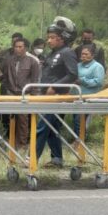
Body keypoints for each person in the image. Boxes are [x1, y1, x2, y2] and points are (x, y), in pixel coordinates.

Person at [35, 16, 78, 168]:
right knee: (52, 129)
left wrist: (55, 87)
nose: (49, 41)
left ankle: (31, 159)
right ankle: (57, 159)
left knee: (42, 126)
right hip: (47, 97)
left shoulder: (67, 52)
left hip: (57, 97)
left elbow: (73, 74)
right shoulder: (53, 53)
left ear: (62, 38)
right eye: (49, 38)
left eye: (52, 38)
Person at [1, 37, 41, 148]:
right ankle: (12, 141)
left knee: (23, 120)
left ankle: (22, 143)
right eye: (15, 47)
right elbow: (4, 75)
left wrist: (34, 97)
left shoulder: (33, 61)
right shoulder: (9, 60)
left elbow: (35, 80)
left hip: (25, 94)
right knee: (11, 118)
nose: (17, 49)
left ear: (26, 48)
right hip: (11, 93)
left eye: (20, 47)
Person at [71, 43, 105, 145]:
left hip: (89, 97)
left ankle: (79, 141)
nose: (83, 56)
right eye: (82, 54)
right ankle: (79, 138)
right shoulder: (78, 66)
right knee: (76, 119)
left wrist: (82, 81)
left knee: (79, 119)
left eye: (86, 54)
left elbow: (98, 82)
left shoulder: (97, 67)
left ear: (92, 55)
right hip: (76, 97)